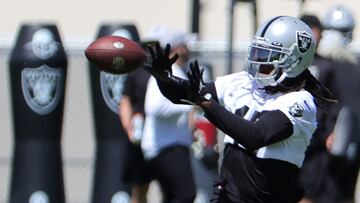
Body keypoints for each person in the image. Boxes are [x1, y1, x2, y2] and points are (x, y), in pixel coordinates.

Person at [144, 16, 335, 202]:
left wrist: (205, 103)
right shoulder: (244, 82)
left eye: (266, 56)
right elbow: (185, 95)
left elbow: (255, 136)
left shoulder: (301, 102)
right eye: (257, 53)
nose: (258, 61)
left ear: (293, 61)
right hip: (227, 195)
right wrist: (164, 79)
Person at [300, 5, 360, 203]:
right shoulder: (314, 65)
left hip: (331, 150)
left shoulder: (333, 67)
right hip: (312, 149)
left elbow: (341, 107)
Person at [140, 26, 197, 203]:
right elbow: (153, 108)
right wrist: (189, 105)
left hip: (171, 145)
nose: (188, 50)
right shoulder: (167, 74)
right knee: (186, 195)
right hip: (165, 147)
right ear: (177, 48)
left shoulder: (177, 72)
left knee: (172, 196)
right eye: (185, 45)